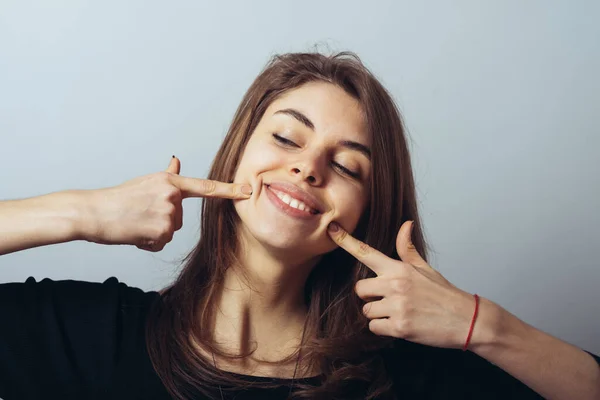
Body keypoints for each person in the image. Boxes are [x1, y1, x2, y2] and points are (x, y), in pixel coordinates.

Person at [0, 52, 598, 400]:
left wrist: (479, 323)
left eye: (345, 166)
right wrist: (79, 212)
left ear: (365, 211)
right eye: (286, 136)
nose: (307, 167)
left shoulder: (401, 374)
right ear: (238, 152)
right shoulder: (91, 336)